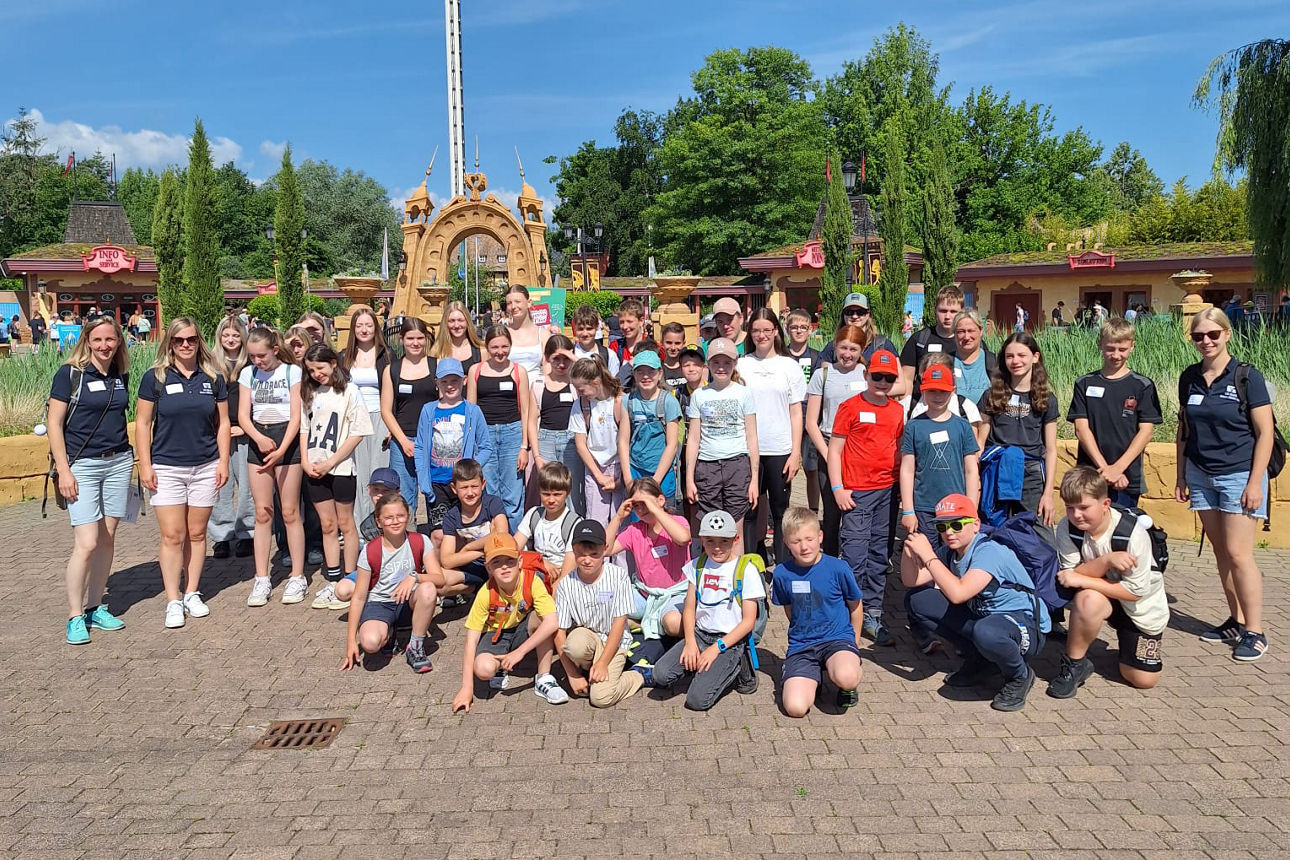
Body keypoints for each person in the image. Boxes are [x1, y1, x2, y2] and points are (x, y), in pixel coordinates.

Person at [1176, 308, 1273, 661]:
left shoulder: (1247, 376)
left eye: (1213, 334)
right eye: (1199, 336)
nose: (1206, 341)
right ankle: (1236, 619)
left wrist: (1254, 483)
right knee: (1220, 553)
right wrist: (1181, 474)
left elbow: (1264, 434)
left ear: (1227, 334)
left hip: (1239, 474)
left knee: (1239, 553)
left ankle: (1256, 630)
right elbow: (1183, 429)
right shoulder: (1189, 377)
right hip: (1201, 473)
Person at [903, 493, 1051, 711]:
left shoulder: (989, 552)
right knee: (919, 601)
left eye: (956, 524)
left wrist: (928, 556)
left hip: (1025, 625)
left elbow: (958, 594)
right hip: (987, 619)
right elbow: (911, 580)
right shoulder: (952, 551)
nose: (949, 532)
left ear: (975, 525)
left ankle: (1019, 675)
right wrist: (909, 550)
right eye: (942, 527)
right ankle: (981, 661)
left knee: (986, 632)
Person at [136, 318, 230, 628]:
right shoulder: (155, 378)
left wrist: (223, 461)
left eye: (190, 339)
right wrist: (145, 464)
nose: (185, 344)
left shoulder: (212, 377)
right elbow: (142, 424)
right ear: (170, 343)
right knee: (172, 535)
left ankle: (192, 591)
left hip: (205, 465)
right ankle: (173, 599)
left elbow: (223, 424)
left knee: (198, 533)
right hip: (166, 467)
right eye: (179, 340)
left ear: (199, 341)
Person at [47, 317, 133, 645]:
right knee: (86, 543)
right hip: (81, 466)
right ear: (87, 341)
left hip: (118, 462)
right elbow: (55, 424)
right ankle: (74, 614)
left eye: (110, 339)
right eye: (97, 340)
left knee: (107, 538)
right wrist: (64, 470)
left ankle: (95, 607)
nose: (104, 346)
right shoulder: (69, 374)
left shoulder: (120, 374)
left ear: (118, 342)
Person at [1049, 467, 1169, 697]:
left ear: (1105, 504)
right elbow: (1069, 576)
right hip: (1103, 597)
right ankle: (1075, 664)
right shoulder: (1067, 527)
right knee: (1087, 599)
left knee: (1143, 680)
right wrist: (1105, 561)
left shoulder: (1132, 534)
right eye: (1070, 508)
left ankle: (1128, 647)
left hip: (1139, 606)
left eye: (1084, 508)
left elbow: (1134, 593)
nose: (1076, 515)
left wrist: (1082, 577)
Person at [898, 362, 980, 652]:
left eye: (943, 391)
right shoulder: (915, 426)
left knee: (956, 567)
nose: (937, 396)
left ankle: (958, 628)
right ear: (923, 391)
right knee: (921, 562)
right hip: (923, 508)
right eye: (931, 391)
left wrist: (972, 507)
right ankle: (922, 628)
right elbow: (907, 469)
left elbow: (972, 469)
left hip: (956, 510)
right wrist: (907, 509)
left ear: (952, 391)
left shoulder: (961, 426)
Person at [828, 349, 903, 646]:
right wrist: (837, 488)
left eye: (889, 378)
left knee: (878, 555)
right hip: (856, 493)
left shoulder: (897, 411)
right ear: (865, 375)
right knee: (855, 555)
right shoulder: (849, 407)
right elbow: (834, 450)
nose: (882, 382)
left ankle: (872, 614)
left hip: (887, 491)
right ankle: (848, 615)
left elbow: (899, 450)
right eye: (877, 376)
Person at [653, 510, 763, 710]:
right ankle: (702, 667)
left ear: (735, 539)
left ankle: (737, 667)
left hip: (729, 641)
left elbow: (748, 622)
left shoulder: (746, 570)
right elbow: (689, 608)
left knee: (697, 701)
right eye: (710, 541)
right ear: (701, 540)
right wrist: (690, 643)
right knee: (660, 674)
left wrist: (716, 649)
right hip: (700, 635)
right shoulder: (698, 565)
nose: (717, 547)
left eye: (724, 541)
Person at [450, 532, 567, 712]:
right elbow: (471, 641)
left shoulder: (531, 580)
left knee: (542, 618)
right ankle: (500, 667)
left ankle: (543, 677)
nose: (504, 567)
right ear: (488, 568)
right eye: (496, 562)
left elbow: (552, 622)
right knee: (483, 670)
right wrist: (467, 689)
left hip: (522, 627)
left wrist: (519, 652)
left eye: (510, 561)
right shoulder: (485, 593)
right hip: (495, 634)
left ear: (519, 562)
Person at [771, 507, 865, 716]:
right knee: (795, 708)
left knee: (846, 675)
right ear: (786, 542)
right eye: (796, 542)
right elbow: (789, 609)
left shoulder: (838, 568)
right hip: (803, 644)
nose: (804, 547)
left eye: (809, 539)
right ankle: (814, 676)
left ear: (820, 537)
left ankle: (846, 684)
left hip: (837, 638)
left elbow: (856, 606)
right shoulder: (782, 573)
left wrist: (855, 642)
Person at [239, 327, 307, 607]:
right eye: (253, 356)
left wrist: (281, 448)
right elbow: (243, 415)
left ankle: (297, 576)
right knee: (262, 512)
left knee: (290, 511)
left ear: (275, 350)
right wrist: (258, 437)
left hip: (286, 441)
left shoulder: (292, 372)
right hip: (260, 438)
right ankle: (262, 577)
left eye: (262, 356)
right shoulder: (248, 374)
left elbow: (296, 415)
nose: (257, 361)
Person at [340, 493, 442, 673]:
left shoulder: (420, 541)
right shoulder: (370, 550)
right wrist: (350, 642)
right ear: (378, 522)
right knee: (370, 643)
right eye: (388, 518)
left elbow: (439, 578)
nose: (395, 521)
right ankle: (389, 632)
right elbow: (359, 596)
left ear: (408, 517)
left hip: (409, 602)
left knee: (428, 589)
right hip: (380, 603)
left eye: (400, 516)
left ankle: (415, 646)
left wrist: (415, 577)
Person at [300, 344, 372, 594]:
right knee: (327, 524)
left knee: (345, 523)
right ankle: (333, 578)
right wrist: (305, 460)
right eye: (310, 370)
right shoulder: (310, 392)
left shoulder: (350, 391)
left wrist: (332, 462)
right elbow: (303, 428)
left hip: (340, 467)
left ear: (333, 363)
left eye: (319, 367)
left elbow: (358, 432)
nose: (316, 374)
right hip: (314, 466)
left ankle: (351, 576)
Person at [1068, 318, 1162, 508]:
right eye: (1110, 348)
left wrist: (1118, 469)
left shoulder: (1142, 385)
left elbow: (1146, 432)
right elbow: (1081, 429)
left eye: (1122, 349)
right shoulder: (1084, 383)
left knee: (1122, 534)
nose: (1116, 355)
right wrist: (1105, 469)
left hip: (1126, 477)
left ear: (1132, 346)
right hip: (1090, 474)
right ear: (1100, 345)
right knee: (1087, 531)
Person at [737, 309, 806, 565]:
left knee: (780, 511)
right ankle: (753, 560)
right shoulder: (742, 364)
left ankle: (782, 564)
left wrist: (795, 451)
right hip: (748, 449)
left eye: (767, 330)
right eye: (756, 330)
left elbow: (796, 412)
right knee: (750, 510)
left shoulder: (789, 366)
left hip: (779, 448)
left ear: (776, 331)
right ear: (750, 333)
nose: (762, 335)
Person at [975, 332, 1059, 541]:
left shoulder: (1047, 399)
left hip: (1030, 474)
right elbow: (980, 442)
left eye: (1022, 355)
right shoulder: (991, 394)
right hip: (996, 469)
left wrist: (1048, 493)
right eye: (1009, 356)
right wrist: (975, 478)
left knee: (1042, 536)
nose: (1015, 361)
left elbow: (1051, 449)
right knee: (993, 530)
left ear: (1035, 357)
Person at [554, 520, 644, 707]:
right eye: (581, 554)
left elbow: (619, 623)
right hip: (589, 637)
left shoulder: (618, 576)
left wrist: (603, 662)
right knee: (574, 643)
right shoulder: (566, 584)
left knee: (600, 699)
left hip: (615, 640)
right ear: (573, 550)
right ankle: (589, 670)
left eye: (594, 554)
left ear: (605, 549)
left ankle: (638, 675)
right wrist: (572, 675)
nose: (587, 560)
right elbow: (559, 631)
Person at [685, 338, 759, 557]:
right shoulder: (700, 395)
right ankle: (712, 578)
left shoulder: (743, 393)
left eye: (726, 362)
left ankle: (736, 582)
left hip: (737, 464)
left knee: (735, 526)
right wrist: (689, 478)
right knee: (712, 526)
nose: (721, 367)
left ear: (734, 364)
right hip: (707, 467)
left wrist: (754, 478)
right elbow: (694, 438)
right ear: (708, 364)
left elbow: (752, 436)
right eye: (716, 362)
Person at [805, 324, 867, 556]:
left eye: (853, 349)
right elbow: (811, 421)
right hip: (828, 444)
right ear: (834, 347)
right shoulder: (824, 374)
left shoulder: (867, 375)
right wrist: (827, 452)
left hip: (860, 450)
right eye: (843, 348)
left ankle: (854, 559)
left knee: (857, 511)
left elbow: (899, 386)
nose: (847, 354)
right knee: (831, 513)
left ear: (862, 350)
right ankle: (830, 557)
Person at [414, 358, 491, 543]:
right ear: (437, 383)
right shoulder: (428, 410)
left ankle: (464, 570)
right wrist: (424, 482)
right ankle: (441, 570)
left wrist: (470, 470)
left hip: (462, 484)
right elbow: (420, 447)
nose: (450, 386)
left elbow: (485, 446)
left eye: (454, 380)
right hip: (437, 483)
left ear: (464, 380)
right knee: (439, 535)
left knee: (465, 533)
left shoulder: (473, 411)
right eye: (445, 381)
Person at [604, 478, 692, 640]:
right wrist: (618, 517)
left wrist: (656, 509)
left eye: (645, 503)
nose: (642, 509)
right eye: (637, 505)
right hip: (645, 594)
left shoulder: (678, 522)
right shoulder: (634, 530)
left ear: (660, 499)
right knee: (603, 602)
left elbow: (683, 538)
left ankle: (647, 623)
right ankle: (641, 623)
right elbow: (605, 550)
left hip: (675, 594)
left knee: (673, 624)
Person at [467, 326, 531, 531]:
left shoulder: (519, 371)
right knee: (489, 490)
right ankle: (493, 540)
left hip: (512, 433)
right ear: (487, 347)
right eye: (495, 347)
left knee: (513, 493)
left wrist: (524, 446)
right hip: (484, 434)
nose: (500, 351)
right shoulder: (475, 371)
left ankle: (514, 542)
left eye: (504, 346)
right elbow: (471, 410)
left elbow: (526, 412)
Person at [380, 317, 438, 519]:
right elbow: (386, 410)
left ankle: (437, 539)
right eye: (410, 338)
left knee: (436, 492)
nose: (415, 343)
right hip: (403, 439)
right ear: (401, 339)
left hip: (434, 439)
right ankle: (409, 541)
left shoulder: (436, 366)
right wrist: (403, 441)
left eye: (420, 338)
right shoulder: (392, 370)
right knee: (404, 496)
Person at [210, 316, 254, 559]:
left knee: (247, 486)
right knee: (220, 485)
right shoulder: (211, 364)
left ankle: (246, 532)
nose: (231, 339)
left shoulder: (250, 364)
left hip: (245, 432)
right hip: (219, 433)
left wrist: (246, 428)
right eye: (226, 335)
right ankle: (222, 536)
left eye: (236, 335)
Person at [342, 307, 390, 528]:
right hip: (355, 420)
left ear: (376, 328)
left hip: (380, 416)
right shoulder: (345, 356)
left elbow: (395, 392)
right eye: (359, 325)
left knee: (378, 474)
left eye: (368, 325)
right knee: (360, 475)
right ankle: (361, 527)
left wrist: (391, 426)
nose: (364, 329)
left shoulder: (386, 354)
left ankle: (380, 523)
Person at [437, 459, 509, 602]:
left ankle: (492, 590)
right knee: (439, 582)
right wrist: (483, 549)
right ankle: (475, 588)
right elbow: (446, 560)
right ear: (454, 488)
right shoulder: (451, 516)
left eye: (474, 486)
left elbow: (502, 535)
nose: (470, 493)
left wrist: (468, 547)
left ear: (483, 484)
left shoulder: (493, 503)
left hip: (499, 563)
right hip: (473, 566)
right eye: (464, 487)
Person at [569, 356, 629, 523]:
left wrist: (622, 478)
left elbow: (627, 442)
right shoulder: (581, 405)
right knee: (595, 520)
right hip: (595, 467)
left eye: (581, 389)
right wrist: (598, 475)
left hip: (620, 465)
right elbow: (581, 444)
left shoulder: (621, 401)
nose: (579, 394)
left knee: (621, 520)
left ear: (595, 382)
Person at [528, 336, 584, 514]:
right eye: (556, 359)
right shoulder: (538, 384)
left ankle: (574, 534)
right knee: (550, 492)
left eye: (565, 359)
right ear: (547, 358)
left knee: (573, 493)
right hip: (546, 440)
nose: (561, 364)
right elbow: (531, 420)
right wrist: (536, 456)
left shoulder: (577, 383)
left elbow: (596, 374)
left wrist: (574, 358)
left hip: (571, 441)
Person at [624, 350, 683, 505]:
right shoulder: (627, 402)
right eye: (640, 372)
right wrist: (628, 477)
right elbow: (622, 442)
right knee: (638, 519)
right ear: (634, 374)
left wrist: (655, 481)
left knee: (664, 520)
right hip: (636, 469)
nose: (646, 376)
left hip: (662, 473)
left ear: (659, 373)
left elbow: (672, 444)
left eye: (651, 371)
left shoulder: (669, 402)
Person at [515, 462, 581, 584]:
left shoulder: (573, 523)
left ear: (568, 493)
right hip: (536, 572)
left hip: (561, 578)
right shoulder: (534, 514)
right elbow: (512, 549)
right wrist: (540, 561)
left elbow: (567, 573)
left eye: (557, 495)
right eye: (546, 494)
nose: (551, 500)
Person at [901, 285, 963, 399]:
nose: (948, 316)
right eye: (943, 311)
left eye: (953, 311)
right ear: (935, 310)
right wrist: (906, 410)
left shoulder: (969, 342)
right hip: (922, 406)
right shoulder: (919, 340)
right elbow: (907, 379)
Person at [819, 292, 899, 370]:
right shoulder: (832, 347)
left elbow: (899, 380)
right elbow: (825, 378)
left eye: (860, 312)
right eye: (849, 312)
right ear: (843, 315)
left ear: (868, 315)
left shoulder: (883, 345)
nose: (854, 316)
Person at [504, 285, 549, 386]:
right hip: (510, 391)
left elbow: (548, 367)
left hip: (536, 389)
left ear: (529, 303)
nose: (513, 306)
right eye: (509, 303)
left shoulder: (543, 334)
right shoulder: (503, 334)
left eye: (517, 301)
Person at [950, 310, 996, 407]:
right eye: (961, 332)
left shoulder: (993, 362)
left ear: (980, 331)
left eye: (971, 331)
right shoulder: (946, 362)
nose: (966, 337)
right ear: (954, 334)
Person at [432, 300, 483, 376]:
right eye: (451, 321)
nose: (456, 325)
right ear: (445, 323)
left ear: (467, 321)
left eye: (460, 320)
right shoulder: (436, 352)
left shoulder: (482, 351)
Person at [570, 305, 621, 377]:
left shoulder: (609, 355)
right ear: (574, 327)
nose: (585, 333)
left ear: (597, 326)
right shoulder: (569, 355)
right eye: (580, 329)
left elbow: (614, 385)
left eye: (589, 329)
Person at [612, 298, 648, 366]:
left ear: (641, 321)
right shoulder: (615, 347)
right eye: (622, 322)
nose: (625, 327)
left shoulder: (653, 347)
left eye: (629, 321)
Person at [658, 322, 688, 391]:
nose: (673, 348)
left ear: (683, 343)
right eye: (669, 343)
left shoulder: (689, 368)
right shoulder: (657, 370)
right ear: (662, 342)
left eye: (677, 343)